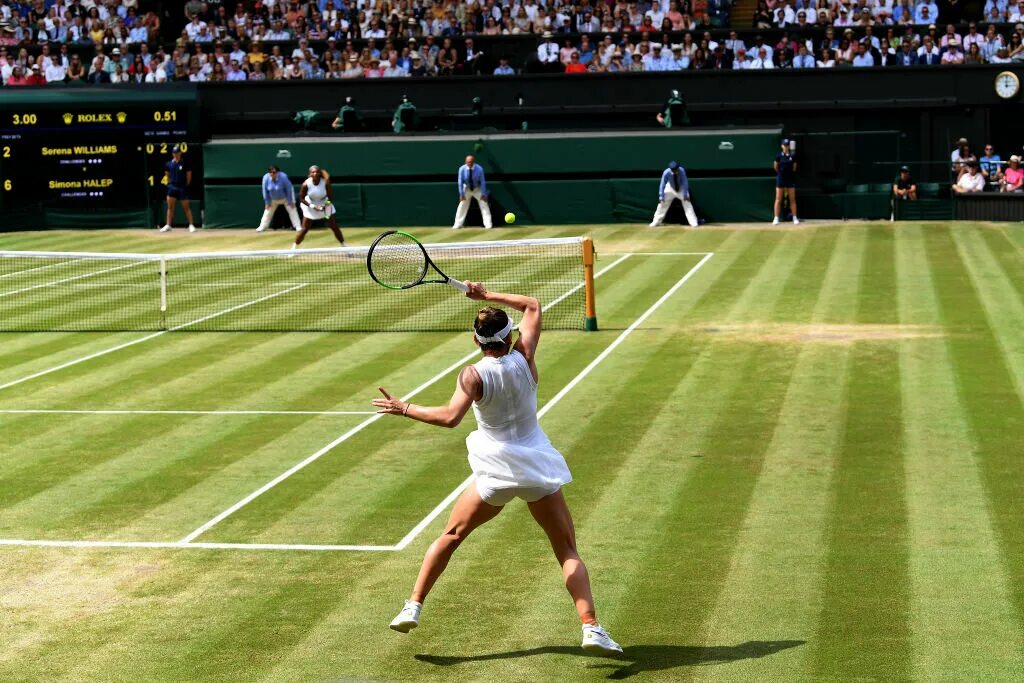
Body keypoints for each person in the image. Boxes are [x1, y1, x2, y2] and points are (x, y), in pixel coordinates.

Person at [375, 283, 623, 657]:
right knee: (566, 548)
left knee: (452, 535)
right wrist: (486, 294)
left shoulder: (472, 375)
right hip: (536, 468)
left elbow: (448, 418)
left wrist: (404, 407)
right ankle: (591, 627)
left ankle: (413, 604)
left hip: (495, 473)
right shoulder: (524, 356)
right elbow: (533, 306)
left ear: (476, 341)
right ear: (509, 336)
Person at [294, 165, 345, 250]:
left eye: (317, 172)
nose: (315, 173)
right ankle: (294, 248)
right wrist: (313, 206)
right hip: (310, 205)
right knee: (304, 229)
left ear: (319, 173)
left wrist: (325, 205)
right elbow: (301, 198)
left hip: (325, 204)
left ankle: (344, 246)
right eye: (313, 172)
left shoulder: (326, 183)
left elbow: (331, 197)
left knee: (334, 226)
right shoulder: (305, 184)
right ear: (310, 174)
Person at [159, 146, 197, 233]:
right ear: (173, 154)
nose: (176, 154)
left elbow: (189, 176)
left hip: (182, 188)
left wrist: (185, 185)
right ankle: (168, 225)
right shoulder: (168, 164)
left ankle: (191, 225)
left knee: (186, 207)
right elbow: (167, 175)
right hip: (172, 187)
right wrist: (170, 184)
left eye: (178, 153)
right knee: (170, 208)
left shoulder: (185, 163)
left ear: (180, 153)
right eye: (175, 153)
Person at [649, 161, 698, 228]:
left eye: (676, 169)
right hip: (670, 188)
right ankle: (656, 222)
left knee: (687, 203)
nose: (675, 171)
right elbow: (662, 183)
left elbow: (685, 182)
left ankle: (693, 222)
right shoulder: (666, 172)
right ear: (671, 169)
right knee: (662, 203)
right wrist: (661, 195)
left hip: (681, 188)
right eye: (674, 170)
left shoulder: (681, 171)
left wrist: (685, 194)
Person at [257, 165, 302, 233]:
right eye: (270, 172)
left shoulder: (283, 177)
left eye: (274, 172)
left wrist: (291, 201)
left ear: (278, 172)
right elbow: (265, 191)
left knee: (292, 210)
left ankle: (297, 226)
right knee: (267, 212)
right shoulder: (266, 178)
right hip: (273, 199)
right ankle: (262, 226)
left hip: (286, 197)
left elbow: (289, 189)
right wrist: (267, 202)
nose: (272, 174)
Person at [452, 154, 493, 229]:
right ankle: (458, 224)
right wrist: (461, 193)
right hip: (467, 188)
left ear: (473, 162)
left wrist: (483, 193)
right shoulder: (462, 169)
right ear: (465, 162)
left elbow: (482, 182)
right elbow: (460, 182)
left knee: (484, 204)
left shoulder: (479, 169)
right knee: (462, 205)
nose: (469, 163)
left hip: (477, 188)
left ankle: (488, 224)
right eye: (467, 162)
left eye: (470, 162)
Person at [773, 139, 799, 224]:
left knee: (792, 199)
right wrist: (781, 174)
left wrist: (789, 174)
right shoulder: (778, 156)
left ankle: (795, 218)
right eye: (784, 145)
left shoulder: (793, 156)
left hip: (790, 179)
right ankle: (776, 218)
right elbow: (776, 167)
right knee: (778, 199)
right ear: (782, 146)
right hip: (781, 179)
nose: (786, 147)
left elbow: (794, 168)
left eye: (787, 145)